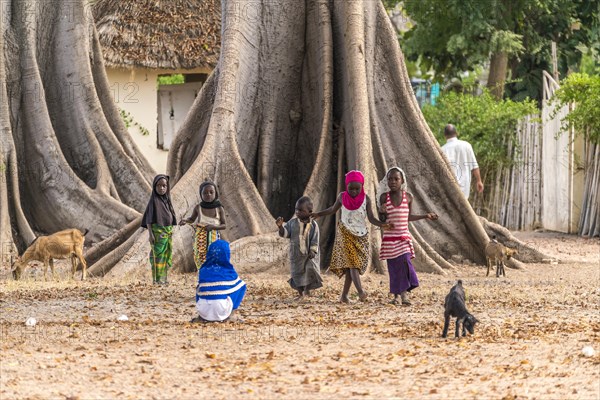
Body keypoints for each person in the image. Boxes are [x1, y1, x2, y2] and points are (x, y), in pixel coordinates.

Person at [311, 170, 391, 303]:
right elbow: (332, 209)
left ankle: (344, 296)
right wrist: (319, 214)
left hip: (361, 236)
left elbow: (371, 218)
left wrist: (382, 224)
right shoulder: (342, 197)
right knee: (353, 264)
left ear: (362, 186)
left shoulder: (366, 199)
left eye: (357, 188)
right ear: (346, 186)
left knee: (351, 268)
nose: (354, 191)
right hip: (345, 233)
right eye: (351, 188)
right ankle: (361, 292)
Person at [377, 167, 438, 305]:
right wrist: (382, 211)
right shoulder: (384, 197)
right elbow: (382, 220)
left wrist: (425, 215)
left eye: (396, 179)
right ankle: (396, 297)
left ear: (402, 180)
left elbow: (408, 216)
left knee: (405, 264)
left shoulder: (408, 197)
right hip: (390, 240)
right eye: (390, 179)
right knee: (394, 268)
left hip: (403, 237)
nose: (393, 182)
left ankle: (404, 296)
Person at [276, 196, 323, 299]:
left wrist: (313, 251)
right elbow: (285, 234)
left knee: (309, 271)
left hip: (309, 256)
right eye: (296, 209)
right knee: (296, 274)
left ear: (310, 211)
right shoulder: (292, 223)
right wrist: (280, 227)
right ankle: (300, 294)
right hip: (296, 255)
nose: (297, 212)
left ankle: (307, 291)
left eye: (301, 210)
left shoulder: (314, 225)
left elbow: (315, 239)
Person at [192, 240, 246, 323]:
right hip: (222, 310)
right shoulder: (229, 271)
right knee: (241, 286)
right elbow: (238, 288)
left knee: (199, 287)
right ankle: (230, 315)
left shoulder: (203, 270)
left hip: (203, 310)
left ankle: (201, 317)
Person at [179, 180, 226, 270]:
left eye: (211, 192)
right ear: (201, 194)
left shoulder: (219, 208)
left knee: (213, 258)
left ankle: (212, 280)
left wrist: (212, 227)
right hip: (200, 238)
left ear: (215, 193)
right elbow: (192, 219)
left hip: (214, 238)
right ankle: (203, 279)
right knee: (200, 257)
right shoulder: (198, 208)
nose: (208, 195)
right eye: (205, 193)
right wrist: (185, 221)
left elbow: (224, 225)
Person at [141, 174, 177, 285]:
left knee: (165, 258)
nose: (161, 188)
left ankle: (164, 279)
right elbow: (149, 220)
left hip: (167, 233)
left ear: (167, 187)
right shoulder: (154, 201)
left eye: (164, 186)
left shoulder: (167, 200)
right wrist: (151, 234)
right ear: (154, 187)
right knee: (157, 257)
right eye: (159, 186)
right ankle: (156, 280)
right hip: (158, 234)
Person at [441, 124, 484, 199]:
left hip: (450, 186)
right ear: (457, 133)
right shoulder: (466, 145)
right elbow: (474, 166)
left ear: (445, 135)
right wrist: (479, 181)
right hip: (465, 185)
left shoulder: (442, 150)